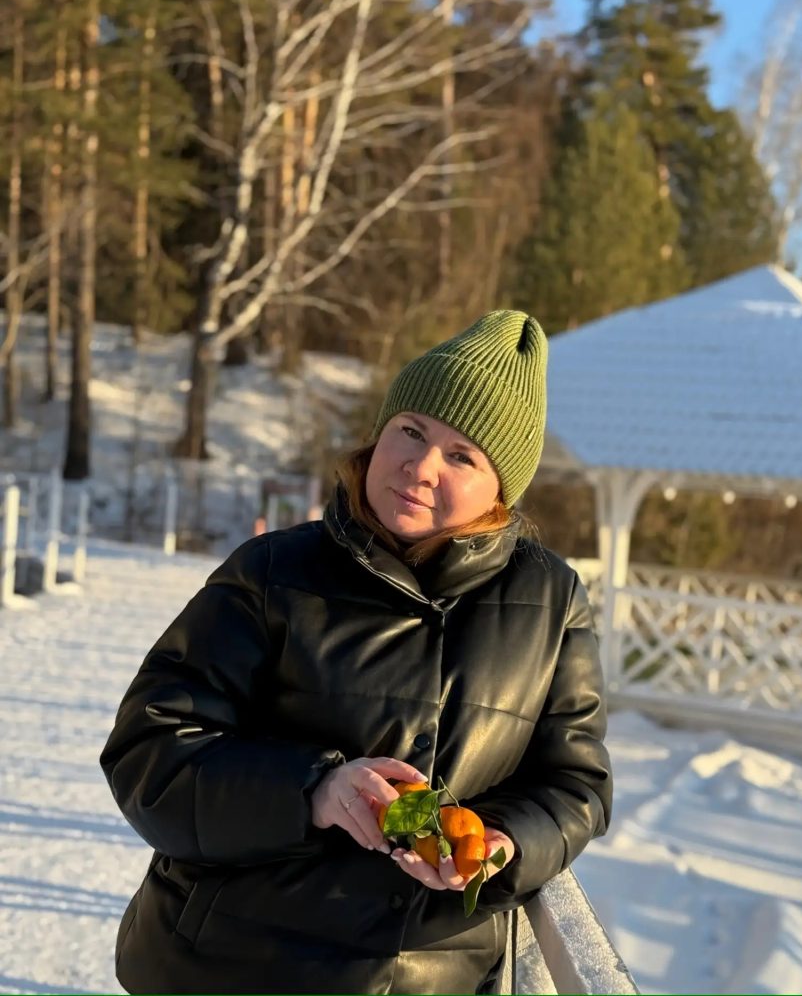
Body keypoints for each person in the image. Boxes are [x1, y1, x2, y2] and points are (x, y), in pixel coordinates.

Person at [100, 309, 612, 995]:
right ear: (380, 433)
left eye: (462, 456)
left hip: (424, 977)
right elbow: (149, 750)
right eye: (411, 431)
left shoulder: (550, 600)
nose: (420, 467)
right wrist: (312, 791)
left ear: (502, 489)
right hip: (229, 966)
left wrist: (504, 844)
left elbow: (576, 783)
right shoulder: (271, 572)